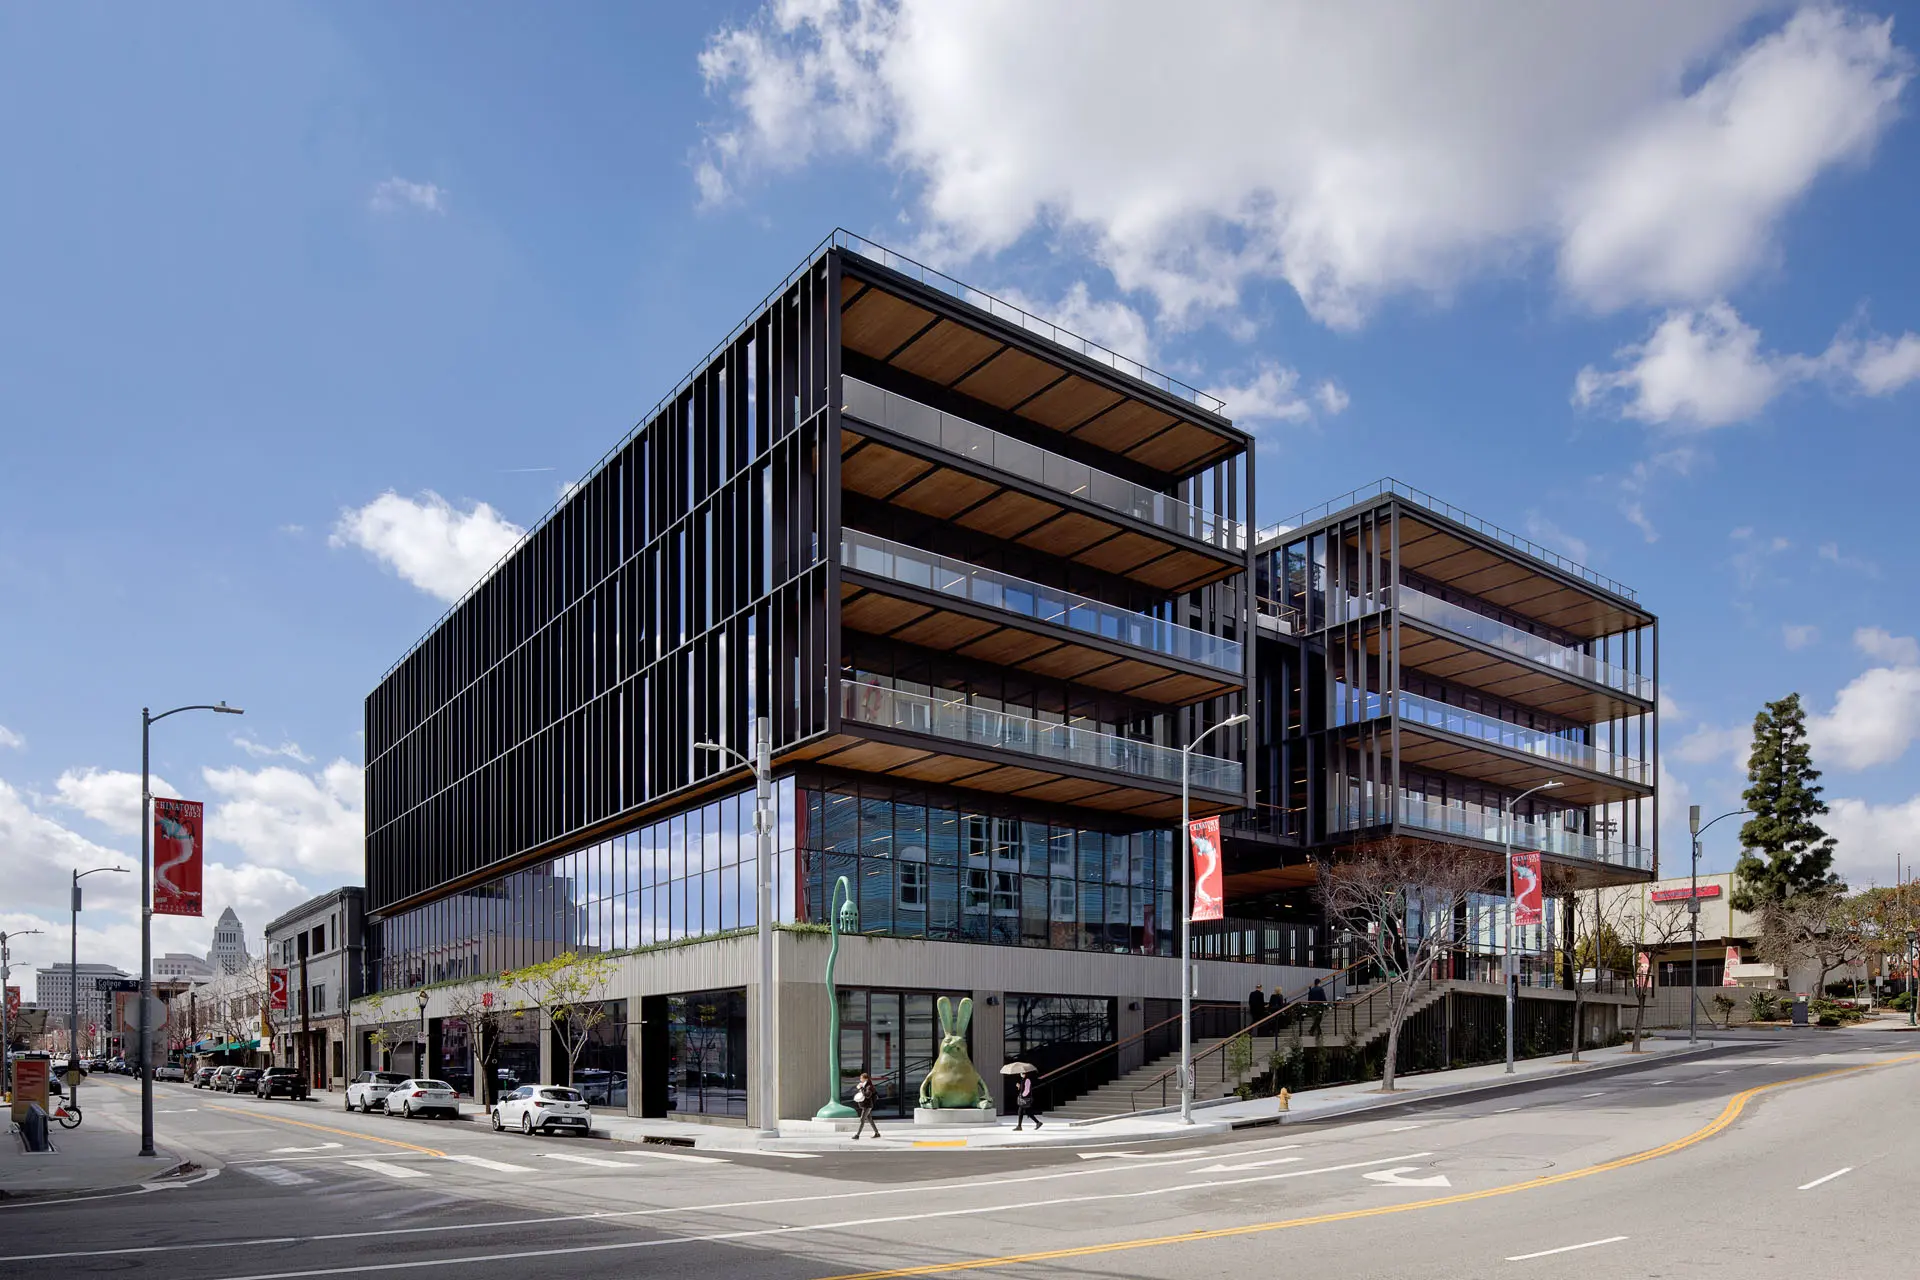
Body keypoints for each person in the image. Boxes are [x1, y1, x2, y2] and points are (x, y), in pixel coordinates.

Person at [851, 1071, 881, 1140]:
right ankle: (877, 1133)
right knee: (870, 1119)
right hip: (866, 1105)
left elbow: (867, 1095)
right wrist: (861, 1087)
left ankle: (857, 1135)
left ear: (866, 1079)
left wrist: (861, 1088)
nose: (860, 1080)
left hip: (867, 1106)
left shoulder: (869, 1086)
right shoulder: (865, 1085)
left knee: (862, 1119)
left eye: (861, 1078)